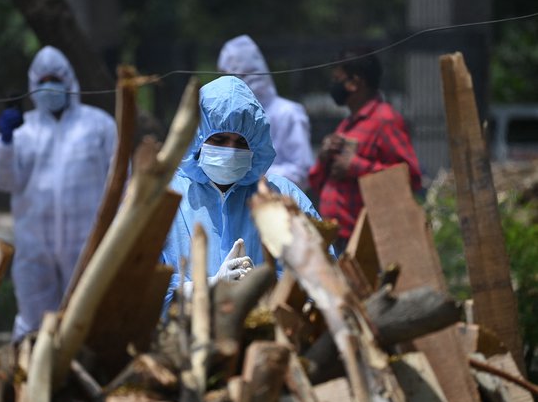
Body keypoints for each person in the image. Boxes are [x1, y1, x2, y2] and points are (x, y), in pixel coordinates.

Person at [0, 45, 117, 341]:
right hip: (35, 246)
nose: (50, 86)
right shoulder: (23, 132)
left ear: (69, 80)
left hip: (87, 243)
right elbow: (4, 180)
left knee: (86, 321)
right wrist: (5, 142)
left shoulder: (98, 125)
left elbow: (120, 182)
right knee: (34, 325)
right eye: (43, 79)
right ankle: (28, 382)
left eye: (55, 79)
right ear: (33, 84)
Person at [161, 75, 322, 307]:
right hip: (182, 339)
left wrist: (264, 286)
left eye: (240, 143)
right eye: (219, 138)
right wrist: (209, 286)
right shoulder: (165, 200)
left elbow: (321, 274)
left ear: (255, 145)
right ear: (197, 138)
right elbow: (141, 285)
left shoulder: (283, 197)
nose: (230, 150)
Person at [308, 48, 422, 256]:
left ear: (355, 82)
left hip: (365, 242)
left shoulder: (385, 120)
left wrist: (356, 166)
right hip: (336, 239)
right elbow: (316, 183)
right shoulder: (347, 124)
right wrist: (324, 158)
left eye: (337, 79)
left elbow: (410, 178)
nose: (334, 85)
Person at [217, 35, 314, 188]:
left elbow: (302, 172)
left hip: (280, 205)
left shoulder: (288, 113)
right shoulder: (229, 117)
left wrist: (249, 173)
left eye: (229, 77)